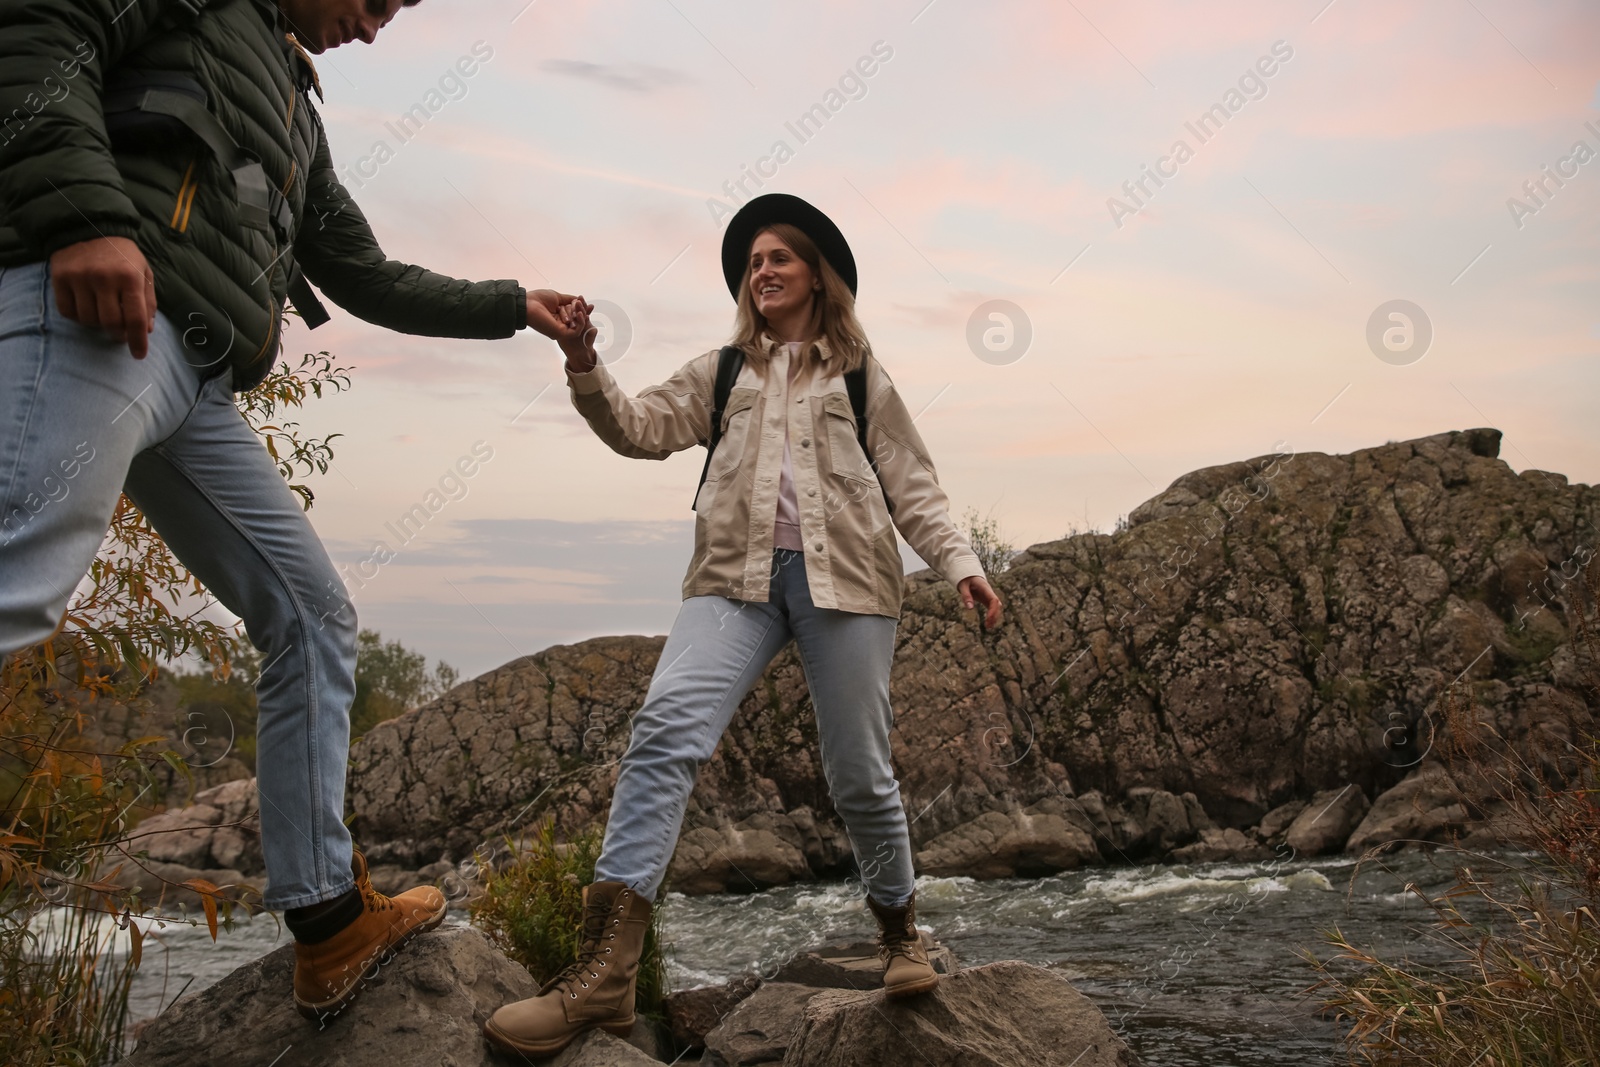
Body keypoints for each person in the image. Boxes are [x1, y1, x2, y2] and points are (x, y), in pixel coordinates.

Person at [0, 0, 583, 1021]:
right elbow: (37, 31)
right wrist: (87, 219)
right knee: (19, 579)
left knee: (313, 616)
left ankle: (328, 917)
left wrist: (511, 303)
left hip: (197, 382)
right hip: (93, 315)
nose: (374, 26)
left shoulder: (295, 112)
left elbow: (363, 273)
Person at [483, 192, 1005, 1057]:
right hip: (734, 580)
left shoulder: (862, 375)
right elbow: (638, 428)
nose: (762, 270)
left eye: (778, 258)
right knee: (662, 733)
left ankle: (899, 932)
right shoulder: (722, 370)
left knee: (859, 773)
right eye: (753, 261)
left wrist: (964, 564)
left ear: (815, 276)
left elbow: (913, 483)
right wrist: (583, 360)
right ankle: (603, 979)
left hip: (852, 584)